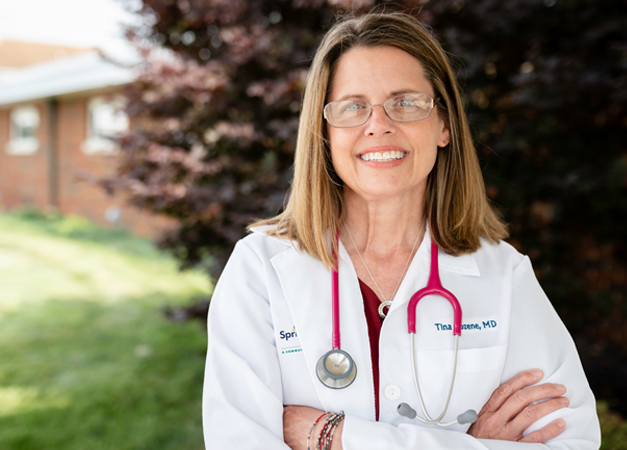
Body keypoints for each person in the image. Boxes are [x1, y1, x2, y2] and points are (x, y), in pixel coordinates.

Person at [202, 12, 601, 450]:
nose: (378, 125)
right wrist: (472, 444)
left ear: (444, 126)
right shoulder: (261, 269)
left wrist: (335, 437)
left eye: (406, 102)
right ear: (325, 132)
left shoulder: (503, 273)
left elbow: (571, 441)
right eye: (353, 107)